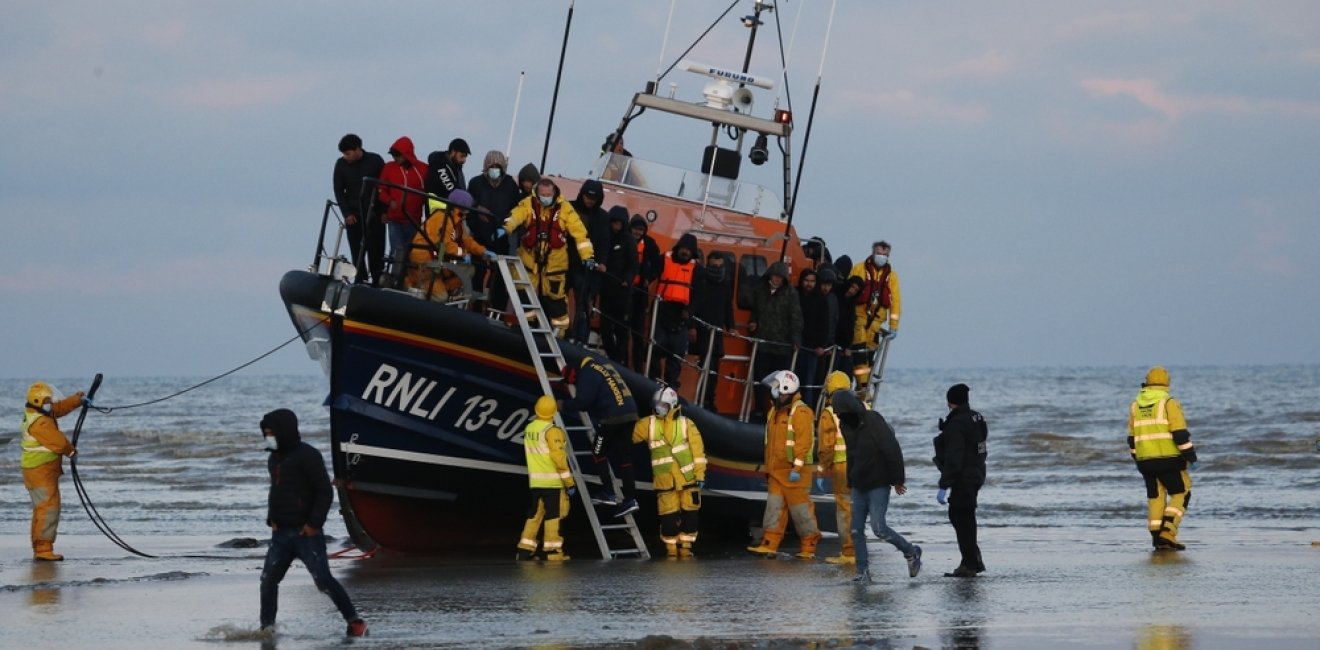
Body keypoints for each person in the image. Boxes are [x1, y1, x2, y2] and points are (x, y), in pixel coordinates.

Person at [258, 409, 366, 637]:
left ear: (283, 431)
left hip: (306, 534)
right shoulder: (273, 459)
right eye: (266, 433)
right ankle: (267, 628)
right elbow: (276, 491)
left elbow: (324, 491)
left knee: (323, 581)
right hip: (280, 535)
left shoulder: (308, 455)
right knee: (268, 581)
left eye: (271, 433)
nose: (268, 437)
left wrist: (314, 524)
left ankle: (355, 622)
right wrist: (271, 518)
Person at [832, 387, 922, 583]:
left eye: (840, 412)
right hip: (858, 484)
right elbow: (850, 454)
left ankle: (911, 552)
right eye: (836, 413)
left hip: (878, 483)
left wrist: (898, 479)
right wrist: (849, 480)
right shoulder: (844, 425)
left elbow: (892, 449)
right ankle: (862, 572)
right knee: (855, 530)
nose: (838, 416)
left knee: (878, 528)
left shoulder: (873, 420)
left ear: (850, 408)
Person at [503, 178, 596, 336]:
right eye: (543, 195)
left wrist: (588, 256)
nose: (546, 197)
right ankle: (526, 326)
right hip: (529, 258)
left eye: (548, 194)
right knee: (524, 293)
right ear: (537, 193)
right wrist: (506, 227)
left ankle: (559, 333)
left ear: (554, 193)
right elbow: (515, 216)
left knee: (555, 298)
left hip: (555, 262)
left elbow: (580, 234)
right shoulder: (528, 204)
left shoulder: (565, 208)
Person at [747, 370, 821, 559]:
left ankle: (809, 546)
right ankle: (769, 544)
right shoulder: (774, 411)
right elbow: (771, 444)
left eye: (777, 389)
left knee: (801, 512)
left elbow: (804, 443)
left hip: (794, 473)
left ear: (787, 389)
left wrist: (797, 468)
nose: (774, 392)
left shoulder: (801, 412)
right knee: (773, 510)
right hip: (776, 471)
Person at [560, 356, 641, 518]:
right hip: (630, 414)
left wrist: (563, 405)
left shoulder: (587, 372)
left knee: (598, 452)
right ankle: (630, 499)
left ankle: (609, 493)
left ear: (574, 374)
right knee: (624, 458)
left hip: (611, 417)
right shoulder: (603, 366)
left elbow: (583, 402)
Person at [1127, 366, 1197, 551]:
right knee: (1182, 492)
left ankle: (1157, 538)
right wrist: (1191, 456)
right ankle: (1168, 532)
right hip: (1169, 459)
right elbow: (1180, 434)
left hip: (1145, 461)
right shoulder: (1168, 402)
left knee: (1155, 497)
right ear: (1167, 382)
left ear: (1147, 382)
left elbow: (1132, 439)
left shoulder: (1135, 405)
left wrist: (1137, 458)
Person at [632, 387, 706, 557]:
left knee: (690, 514)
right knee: (668, 516)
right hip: (665, 481)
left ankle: (686, 546)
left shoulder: (686, 424)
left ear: (672, 405)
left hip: (688, 479)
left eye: (663, 405)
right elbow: (631, 435)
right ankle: (671, 548)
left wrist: (700, 475)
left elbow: (698, 453)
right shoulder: (648, 424)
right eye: (657, 404)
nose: (659, 408)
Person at [21, 382, 85, 561]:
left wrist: (77, 400)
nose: (51, 403)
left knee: (41, 508)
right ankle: (43, 548)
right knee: (48, 508)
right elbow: (57, 442)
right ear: (38, 401)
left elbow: (58, 409)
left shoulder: (39, 413)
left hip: (39, 471)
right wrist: (71, 451)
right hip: (40, 470)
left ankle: (39, 546)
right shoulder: (40, 422)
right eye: (48, 400)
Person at [933, 383, 987, 577]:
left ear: (950, 402)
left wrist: (943, 485)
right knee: (962, 516)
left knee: (962, 518)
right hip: (977, 472)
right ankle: (972, 558)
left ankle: (970, 564)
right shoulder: (976, 417)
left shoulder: (956, 424)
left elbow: (954, 458)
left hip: (964, 477)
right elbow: (981, 443)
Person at [404, 189, 496, 300]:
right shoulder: (442, 218)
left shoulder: (456, 220)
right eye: (467, 207)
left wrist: (483, 251)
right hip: (423, 263)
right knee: (441, 297)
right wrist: (463, 254)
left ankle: (445, 290)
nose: (469, 211)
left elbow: (467, 241)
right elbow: (446, 245)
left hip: (437, 260)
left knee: (468, 269)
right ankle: (411, 284)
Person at [516, 396, 576, 562]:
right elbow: (559, 459)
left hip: (536, 482)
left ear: (536, 409)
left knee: (534, 515)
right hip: (553, 483)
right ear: (554, 412)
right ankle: (553, 552)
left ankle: (524, 550)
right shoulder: (553, 431)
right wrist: (569, 483)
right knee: (553, 517)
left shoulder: (529, 428)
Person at [748, 262, 802, 417]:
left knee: (779, 383)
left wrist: (796, 339)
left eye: (780, 276)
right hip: (762, 344)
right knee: (760, 379)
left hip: (782, 347)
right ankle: (759, 409)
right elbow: (755, 312)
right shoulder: (760, 291)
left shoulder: (791, 293)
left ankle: (777, 411)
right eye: (775, 275)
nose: (777, 279)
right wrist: (753, 323)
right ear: (770, 275)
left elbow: (796, 317)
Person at [466, 150, 521, 300]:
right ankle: (474, 306)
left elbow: (515, 210)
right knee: (477, 275)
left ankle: (497, 307)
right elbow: (469, 205)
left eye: (498, 167)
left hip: (501, 238)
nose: (495, 169)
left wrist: (505, 228)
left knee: (500, 277)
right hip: (479, 237)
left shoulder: (510, 185)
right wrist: (475, 221)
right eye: (492, 166)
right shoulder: (475, 183)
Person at [332, 134, 386, 285]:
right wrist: (346, 213)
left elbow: (385, 186)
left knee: (376, 251)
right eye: (344, 154)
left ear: (357, 149)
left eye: (348, 153)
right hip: (354, 216)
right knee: (356, 251)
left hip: (375, 215)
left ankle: (377, 281)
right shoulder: (341, 165)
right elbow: (338, 190)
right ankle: (360, 279)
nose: (346, 157)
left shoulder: (375, 160)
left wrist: (384, 211)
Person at [650, 233, 699, 389]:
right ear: (678, 248)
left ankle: (670, 388)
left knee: (676, 355)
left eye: (689, 250)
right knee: (655, 350)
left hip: (681, 316)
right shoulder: (663, 259)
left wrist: (689, 312)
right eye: (683, 248)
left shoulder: (697, 269)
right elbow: (651, 274)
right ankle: (653, 384)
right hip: (662, 311)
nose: (685, 252)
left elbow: (699, 295)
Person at [849, 241, 901, 387]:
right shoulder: (858, 268)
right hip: (859, 319)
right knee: (859, 354)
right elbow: (849, 291)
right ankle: (863, 387)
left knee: (870, 356)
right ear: (872, 253)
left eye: (884, 254)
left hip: (876, 324)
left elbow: (895, 302)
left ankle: (863, 389)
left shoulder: (892, 277)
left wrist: (893, 326)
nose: (881, 256)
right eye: (879, 253)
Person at [816, 371, 855, 565]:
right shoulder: (865, 407)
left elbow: (826, 446)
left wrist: (822, 469)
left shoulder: (829, 413)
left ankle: (849, 552)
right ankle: (860, 549)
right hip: (864, 465)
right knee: (859, 507)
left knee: (844, 508)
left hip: (842, 467)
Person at [689, 251, 734, 412]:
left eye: (720, 266)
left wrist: (731, 326)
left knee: (714, 370)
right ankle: (694, 399)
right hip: (700, 330)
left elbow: (727, 306)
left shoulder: (725, 283)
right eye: (714, 265)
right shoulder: (701, 281)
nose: (717, 269)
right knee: (697, 366)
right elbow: (693, 304)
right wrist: (691, 326)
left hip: (716, 332)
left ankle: (708, 400)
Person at [568, 180, 612, 344]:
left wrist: (602, 262)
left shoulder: (602, 217)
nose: (590, 201)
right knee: (556, 298)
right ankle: (557, 330)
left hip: (587, 268)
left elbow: (604, 242)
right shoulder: (569, 208)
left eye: (594, 199)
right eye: (588, 197)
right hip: (564, 262)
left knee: (583, 304)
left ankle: (580, 338)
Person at [378, 136, 428, 268]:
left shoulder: (423, 169)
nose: (395, 158)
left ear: (406, 154)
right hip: (394, 219)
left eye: (397, 155)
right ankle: (394, 277)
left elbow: (429, 193)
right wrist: (389, 202)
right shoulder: (389, 168)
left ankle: (406, 278)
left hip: (414, 221)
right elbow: (381, 190)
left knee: (412, 255)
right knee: (397, 252)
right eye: (393, 155)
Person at [598, 206, 637, 364]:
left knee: (621, 331)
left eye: (619, 224)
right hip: (606, 291)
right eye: (614, 223)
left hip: (622, 293)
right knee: (605, 328)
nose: (616, 226)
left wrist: (627, 279)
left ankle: (620, 361)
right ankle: (612, 357)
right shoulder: (605, 236)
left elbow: (633, 264)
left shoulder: (628, 240)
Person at [796, 267, 836, 407]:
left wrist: (821, 345)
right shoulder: (795, 295)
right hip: (795, 345)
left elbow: (824, 324)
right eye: (806, 280)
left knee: (808, 382)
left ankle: (807, 411)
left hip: (812, 348)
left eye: (812, 281)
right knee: (793, 379)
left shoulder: (821, 300)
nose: (809, 284)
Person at [628, 214, 663, 371]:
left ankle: (638, 368)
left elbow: (657, 265)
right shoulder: (623, 240)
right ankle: (621, 363)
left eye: (641, 230)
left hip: (640, 293)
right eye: (635, 229)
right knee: (621, 330)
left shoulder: (650, 244)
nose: (637, 232)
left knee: (638, 333)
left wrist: (649, 277)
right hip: (622, 291)